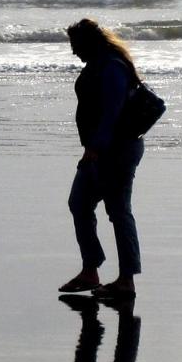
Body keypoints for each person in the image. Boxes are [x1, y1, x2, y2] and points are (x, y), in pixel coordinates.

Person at [58, 18, 146, 300]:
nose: (73, 51)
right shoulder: (100, 65)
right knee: (80, 203)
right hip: (102, 150)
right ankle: (90, 270)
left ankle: (126, 280)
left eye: (75, 45)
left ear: (88, 43)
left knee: (118, 212)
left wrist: (94, 149)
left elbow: (112, 113)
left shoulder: (112, 68)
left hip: (116, 151)